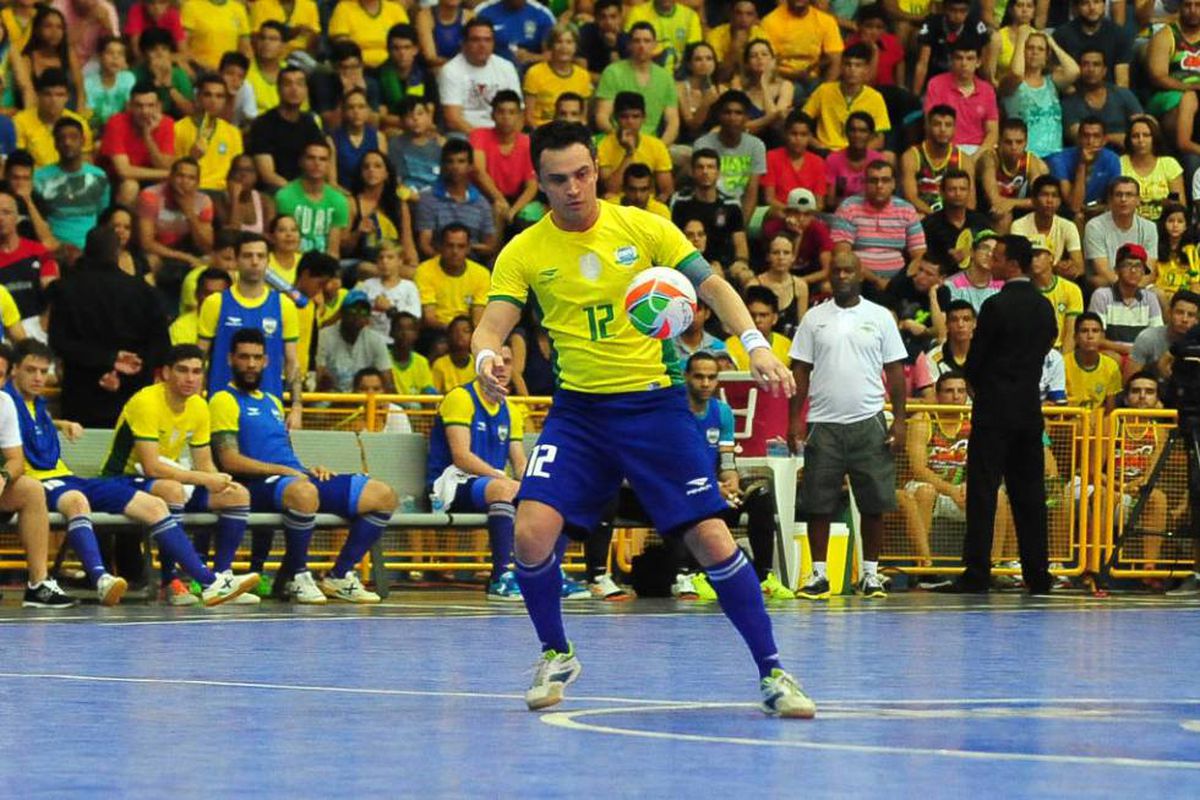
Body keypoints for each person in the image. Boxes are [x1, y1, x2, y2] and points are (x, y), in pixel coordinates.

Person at [472, 120, 812, 717]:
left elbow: (714, 286)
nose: (574, 188)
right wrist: (483, 360)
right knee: (529, 532)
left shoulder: (644, 228)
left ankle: (773, 672)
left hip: (654, 405)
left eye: (582, 174)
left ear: (596, 168)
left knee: (709, 538)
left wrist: (755, 344)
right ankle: (556, 652)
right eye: (558, 180)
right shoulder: (524, 251)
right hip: (579, 415)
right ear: (540, 183)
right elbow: (493, 326)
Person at [8, 338, 260, 606]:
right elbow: (151, 466)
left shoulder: (38, 404)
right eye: (30, 370)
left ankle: (214, 581)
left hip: (68, 477)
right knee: (79, 500)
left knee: (154, 506)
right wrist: (206, 478)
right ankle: (108, 579)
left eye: (43, 371)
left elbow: (32, 425)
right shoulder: (7, 402)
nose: (38, 377)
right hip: (51, 481)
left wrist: (61, 424)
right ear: (14, 370)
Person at [210, 327, 398, 603]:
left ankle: (339, 576)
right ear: (230, 360)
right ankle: (298, 576)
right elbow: (229, 459)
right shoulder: (223, 400)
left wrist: (310, 469)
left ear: (266, 361)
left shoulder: (273, 402)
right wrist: (287, 473)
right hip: (257, 486)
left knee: (383, 495)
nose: (250, 364)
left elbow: (282, 453)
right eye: (244, 357)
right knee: (304, 493)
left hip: (294, 479)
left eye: (257, 357)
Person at [942, 234, 1057, 594]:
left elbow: (975, 360)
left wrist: (981, 384)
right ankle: (1037, 573)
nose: (993, 259)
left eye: (1000, 256)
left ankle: (978, 571)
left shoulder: (995, 305)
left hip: (993, 410)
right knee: (1030, 493)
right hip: (1027, 408)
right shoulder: (1043, 307)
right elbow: (1046, 346)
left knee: (983, 491)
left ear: (1014, 264)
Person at [789, 249, 906, 600]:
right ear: (829, 275)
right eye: (836, 271)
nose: (842, 276)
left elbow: (896, 371)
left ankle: (870, 575)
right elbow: (800, 371)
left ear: (860, 274)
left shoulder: (880, 316)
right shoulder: (813, 318)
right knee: (817, 502)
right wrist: (795, 419)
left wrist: (899, 420)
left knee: (874, 502)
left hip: (869, 419)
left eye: (848, 271)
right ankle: (819, 575)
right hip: (822, 423)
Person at [99, 344, 256, 606]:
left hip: (167, 480)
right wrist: (207, 479)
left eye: (196, 372)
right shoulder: (146, 401)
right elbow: (151, 467)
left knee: (238, 495)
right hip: (123, 480)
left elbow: (204, 463)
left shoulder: (198, 406)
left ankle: (221, 580)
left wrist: (220, 482)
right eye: (182, 370)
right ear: (166, 373)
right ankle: (170, 582)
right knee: (172, 489)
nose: (190, 378)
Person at [426, 342, 530, 599]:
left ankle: (544, 573)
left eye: (507, 361)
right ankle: (501, 577)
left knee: (547, 495)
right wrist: (503, 479)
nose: (501, 367)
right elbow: (461, 457)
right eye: (495, 362)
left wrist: (536, 485)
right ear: (481, 366)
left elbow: (519, 461)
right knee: (504, 488)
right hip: (449, 484)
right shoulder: (461, 398)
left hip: (489, 486)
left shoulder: (512, 410)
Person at [49, 226, 169, 428]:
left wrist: (108, 359)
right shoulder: (145, 292)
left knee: (79, 456)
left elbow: (58, 343)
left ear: (86, 250)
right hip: (132, 393)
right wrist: (122, 369)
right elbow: (161, 348)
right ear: (117, 252)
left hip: (81, 394)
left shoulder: (65, 289)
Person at [197, 233, 302, 426]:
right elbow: (199, 358)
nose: (254, 262)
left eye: (260, 256)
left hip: (269, 408)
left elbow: (292, 361)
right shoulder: (215, 303)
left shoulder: (284, 305)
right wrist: (195, 405)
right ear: (236, 260)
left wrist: (296, 407)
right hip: (222, 408)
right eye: (247, 256)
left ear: (268, 261)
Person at [900, 370, 970, 568]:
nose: (956, 396)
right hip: (931, 489)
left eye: (961, 391)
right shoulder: (924, 419)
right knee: (925, 491)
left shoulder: (973, 419)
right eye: (949, 391)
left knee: (998, 497)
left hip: (960, 491)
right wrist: (951, 491)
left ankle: (995, 566)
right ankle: (924, 567)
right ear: (938, 395)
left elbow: (981, 464)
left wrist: (968, 486)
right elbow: (918, 469)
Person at [831, 159, 927, 291]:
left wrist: (902, 281)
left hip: (897, 281)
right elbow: (842, 255)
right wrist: (876, 280)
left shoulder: (907, 210)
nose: (879, 185)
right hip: (858, 281)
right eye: (873, 180)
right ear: (864, 183)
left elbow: (919, 254)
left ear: (893, 184)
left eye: (885, 180)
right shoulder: (849, 207)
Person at [670, 149, 750, 286]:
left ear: (718, 173)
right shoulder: (680, 203)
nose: (705, 171)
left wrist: (740, 263)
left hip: (725, 266)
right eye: (700, 167)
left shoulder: (731, 205)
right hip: (689, 263)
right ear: (692, 172)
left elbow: (741, 246)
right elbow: (673, 241)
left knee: (746, 277)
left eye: (710, 167)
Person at [593, 22, 679, 144]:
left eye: (647, 41)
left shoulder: (665, 77)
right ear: (629, 45)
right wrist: (620, 137)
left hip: (651, 143)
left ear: (655, 45)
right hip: (616, 139)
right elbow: (602, 116)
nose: (642, 45)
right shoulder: (612, 72)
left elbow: (673, 122)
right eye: (637, 41)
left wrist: (660, 146)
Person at [33, 118, 109, 255]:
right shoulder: (39, 178)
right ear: (55, 143)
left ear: (83, 141)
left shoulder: (99, 177)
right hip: (55, 250)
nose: (67, 143)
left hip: (90, 250)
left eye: (73, 137)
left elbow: (103, 215)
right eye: (62, 138)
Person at [999, 29, 1078, 159]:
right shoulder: (1011, 82)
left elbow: (1074, 71)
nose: (1035, 52)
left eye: (1040, 49)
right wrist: (1021, 39)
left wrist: (1051, 42)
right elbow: (1017, 72)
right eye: (1030, 47)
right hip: (1025, 156)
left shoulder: (1051, 82)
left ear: (1047, 55)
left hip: (1055, 155)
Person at [469, 90, 539, 236]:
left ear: (520, 116)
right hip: (486, 195)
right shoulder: (479, 135)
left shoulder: (527, 142)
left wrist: (513, 210)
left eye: (512, 112)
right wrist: (500, 200)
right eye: (501, 112)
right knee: (497, 208)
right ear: (492, 115)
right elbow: (479, 172)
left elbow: (532, 186)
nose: (506, 117)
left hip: (517, 198)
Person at [414, 140, 497, 260]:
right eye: (450, 161)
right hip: (438, 264)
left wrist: (465, 250)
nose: (455, 167)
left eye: (461, 161)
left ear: (470, 166)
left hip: (473, 265)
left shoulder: (482, 203)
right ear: (443, 165)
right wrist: (449, 262)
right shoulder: (428, 200)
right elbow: (425, 245)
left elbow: (490, 245)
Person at [693, 90, 766, 224]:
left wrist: (740, 227)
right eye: (727, 112)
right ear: (719, 115)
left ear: (746, 117)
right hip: (712, 206)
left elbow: (752, 191)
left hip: (742, 208)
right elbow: (701, 187)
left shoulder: (756, 146)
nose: (732, 118)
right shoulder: (703, 144)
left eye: (738, 113)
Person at [438, 18, 522, 134]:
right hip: (465, 134)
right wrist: (483, 141)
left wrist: (510, 139)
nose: (482, 45)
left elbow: (519, 113)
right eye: (475, 40)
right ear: (464, 43)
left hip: (503, 134)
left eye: (487, 40)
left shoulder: (506, 67)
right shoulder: (450, 70)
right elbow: (453, 119)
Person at [246, 66, 324, 191]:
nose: (294, 89)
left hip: (305, 190)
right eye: (288, 84)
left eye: (299, 84)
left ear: (306, 90)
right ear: (278, 89)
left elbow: (322, 159)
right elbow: (267, 175)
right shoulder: (263, 124)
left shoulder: (309, 122)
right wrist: (297, 194)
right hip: (274, 192)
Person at [802, 42, 889, 153]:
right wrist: (819, 146)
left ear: (866, 69)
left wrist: (852, 153)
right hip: (825, 152)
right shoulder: (824, 90)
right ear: (841, 67)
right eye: (848, 64)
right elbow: (801, 123)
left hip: (858, 154)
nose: (852, 70)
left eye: (858, 65)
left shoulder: (875, 97)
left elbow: (879, 139)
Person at [99, 80, 175, 207]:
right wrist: (169, 174)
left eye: (150, 105)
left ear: (159, 107)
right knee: (131, 186)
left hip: (151, 179)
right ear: (130, 106)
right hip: (115, 181)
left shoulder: (167, 123)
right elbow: (123, 171)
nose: (145, 111)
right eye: (139, 106)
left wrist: (148, 137)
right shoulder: (116, 122)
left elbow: (164, 165)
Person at [1087, 243, 1164, 358]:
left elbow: (1157, 337)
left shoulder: (1150, 298)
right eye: (1127, 265)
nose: (1133, 270)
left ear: (1143, 272)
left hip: (1140, 357)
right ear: (1117, 270)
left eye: (1138, 266)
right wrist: (1130, 350)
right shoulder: (1102, 296)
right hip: (1111, 354)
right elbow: (1096, 338)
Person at [273, 141, 349, 258]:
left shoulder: (339, 201)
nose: (317, 163)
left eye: (322, 159)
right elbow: (282, 246)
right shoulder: (284, 196)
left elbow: (333, 251)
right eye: (311, 158)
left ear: (329, 165)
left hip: (324, 266)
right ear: (301, 162)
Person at [1083, 177, 1160, 289]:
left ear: (1138, 200)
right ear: (1110, 200)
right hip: (1108, 285)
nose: (1123, 199)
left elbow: (1150, 272)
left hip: (1139, 286)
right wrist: (1127, 289)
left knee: (1160, 295)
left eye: (1129, 195)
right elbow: (1102, 270)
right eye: (1119, 195)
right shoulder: (1094, 226)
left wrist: (1132, 289)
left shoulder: (1149, 227)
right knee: (1099, 282)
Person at [597, 92, 673, 202]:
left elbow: (666, 190)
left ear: (644, 118)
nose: (630, 122)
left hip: (647, 203)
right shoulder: (604, 146)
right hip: (618, 204)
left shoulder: (656, 145)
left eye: (635, 116)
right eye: (624, 117)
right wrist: (629, 153)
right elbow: (611, 188)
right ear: (615, 118)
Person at [174, 74, 243, 196]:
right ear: (197, 97)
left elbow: (237, 173)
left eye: (219, 96)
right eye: (207, 95)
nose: (213, 101)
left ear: (225, 101)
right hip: (190, 191)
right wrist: (192, 157)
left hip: (222, 193)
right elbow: (171, 170)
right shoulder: (177, 128)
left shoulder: (233, 132)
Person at [416, 223, 490, 331]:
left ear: (468, 248)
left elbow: (477, 318)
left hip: (468, 331)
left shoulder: (482, 274)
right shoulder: (424, 270)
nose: (455, 251)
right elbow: (429, 318)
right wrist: (455, 331)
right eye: (450, 245)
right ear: (440, 246)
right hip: (437, 331)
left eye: (461, 246)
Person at [1062, 48, 1142, 148]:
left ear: (1104, 70)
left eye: (1096, 64)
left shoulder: (1123, 94)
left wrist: (1108, 138)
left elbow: (1142, 128)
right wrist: (1116, 138)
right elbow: (1079, 137)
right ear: (1079, 69)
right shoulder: (1070, 102)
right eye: (1085, 64)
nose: (1091, 69)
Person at [901, 106, 973, 218]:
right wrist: (936, 217)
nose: (943, 129)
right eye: (937, 124)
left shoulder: (964, 159)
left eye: (948, 125)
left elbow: (970, 202)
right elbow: (910, 198)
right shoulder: (912, 156)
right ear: (927, 127)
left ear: (954, 129)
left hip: (954, 216)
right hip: (923, 214)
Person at [317, 290, 394, 393]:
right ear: (342, 313)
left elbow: (387, 382)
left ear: (368, 318)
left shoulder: (376, 340)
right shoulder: (324, 336)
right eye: (353, 310)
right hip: (331, 398)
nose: (358, 316)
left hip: (364, 398)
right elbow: (319, 377)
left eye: (363, 312)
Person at [14, 69, 93, 171]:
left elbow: (85, 159)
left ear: (67, 97)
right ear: (38, 95)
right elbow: (19, 163)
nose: (53, 100)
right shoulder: (20, 122)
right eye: (48, 94)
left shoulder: (78, 123)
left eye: (59, 95)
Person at [1047, 117, 1122, 223]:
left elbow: (1113, 201)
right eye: (1086, 136)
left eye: (1096, 136)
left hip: (1099, 210)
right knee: (1078, 216)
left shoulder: (1112, 159)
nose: (1090, 141)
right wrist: (1082, 164)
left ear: (1104, 140)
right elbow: (1074, 206)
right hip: (1065, 213)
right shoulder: (1059, 160)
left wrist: (1095, 209)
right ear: (1078, 138)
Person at [1012, 175, 1085, 282]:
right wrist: (1054, 269)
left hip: (1058, 282)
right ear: (1034, 200)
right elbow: (1018, 266)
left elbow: (1080, 268)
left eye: (1054, 196)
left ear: (1060, 202)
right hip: (1029, 281)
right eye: (1044, 195)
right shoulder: (1019, 226)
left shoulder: (1068, 226)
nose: (1050, 200)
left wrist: (1069, 268)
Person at [760, 0, 843, 91]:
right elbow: (764, 62)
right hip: (780, 78)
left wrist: (825, 92)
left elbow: (836, 58)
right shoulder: (770, 22)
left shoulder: (826, 21)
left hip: (814, 79)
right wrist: (792, 75)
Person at [762, 110, 828, 225]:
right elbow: (769, 198)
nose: (798, 139)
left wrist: (802, 215)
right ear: (785, 134)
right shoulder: (771, 157)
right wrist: (792, 212)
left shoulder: (818, 162)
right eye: (794, 134)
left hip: (807, 217)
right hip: (781, 214)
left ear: (810, 137)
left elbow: (819, 203)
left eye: (803, 135)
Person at [911, 0, 990, 93]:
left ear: (968, 11)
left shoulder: (976, 25)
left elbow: (984, 64)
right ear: (944, 9)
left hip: (965, 80)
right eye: (953, 10)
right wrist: (915, 96)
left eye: (962, 11)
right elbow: (922, 63)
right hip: (935, 78)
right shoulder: (932, 23)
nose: (957, 15)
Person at [523, 23, 592, 129]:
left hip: (573, 134)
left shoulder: (583, 76)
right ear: (551, 46)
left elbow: (583, 118)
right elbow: (528, 117)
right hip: (542, 133)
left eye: (569, 42)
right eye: (559, 42)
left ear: (576, 46)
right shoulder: (534, 73)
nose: (564, 47)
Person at [920, 168, 990, 271]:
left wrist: (972, 252)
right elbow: (923, 260)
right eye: (952, 189)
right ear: (942, 192)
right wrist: (948, 259)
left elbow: (992, 248)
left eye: (963, 189)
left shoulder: (980, 221)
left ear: (969, 192)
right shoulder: (929, 224)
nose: (958, 193)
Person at [1052, 0, 1134, 89]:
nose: (1092, 8)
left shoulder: (1119, 35)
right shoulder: (1061, 35)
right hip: (1074, 97)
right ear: (1076, 8)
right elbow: (1060, 79)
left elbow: (1122, 81)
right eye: (1085, 3)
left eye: (1097, 2)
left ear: (1104, 5)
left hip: (1110, 96)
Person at [1119, 115, 1185, 224]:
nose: (1141, 140)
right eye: (1135, 136)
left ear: (1154, 138)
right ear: (1129, 140)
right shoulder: (1120, 163)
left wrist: (1169, 204)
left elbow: (1180, 206)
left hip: (1164, 227)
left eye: (1146, 135)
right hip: (1129, 224)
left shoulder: (1169, 164)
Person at [731, 38, 793, 147]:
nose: (759, 58)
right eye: (753, 56)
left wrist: (764, 83)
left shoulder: (785, 86)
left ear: (773, 60)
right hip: (745, 144)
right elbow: (736, 124)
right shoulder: (740, 87)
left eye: (764, 54)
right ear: (747, 63)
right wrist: (769, 119)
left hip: (775, 142)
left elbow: (777, 124)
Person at [1030, 233, 1084, 354]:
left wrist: (1061, 360)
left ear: (1051, 257)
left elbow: (1071, 332)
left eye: (1038, 255)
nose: (1033, 260)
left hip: (1060, 350)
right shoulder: (1025, 290)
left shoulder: (1071, 289)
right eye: (1031, 256)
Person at [744, 235, 807, 337]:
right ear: (768, 256)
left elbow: (801, 327)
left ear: (793, 257)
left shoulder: (800, 286)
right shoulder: (753, 285)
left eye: (786, 253)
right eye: (775, 252)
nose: (781, 257)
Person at [1130, 290, 1200, 379]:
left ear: (1197, 320)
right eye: (1179, 312)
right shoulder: (1148, 338)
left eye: (1191, 315)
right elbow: (1130, 381)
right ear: (1169, 313)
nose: (1184, 319)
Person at [825, 111, 885, 210]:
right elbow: (830, 201)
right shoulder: (833, 159)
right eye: (853, 130)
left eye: (863, 131)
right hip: (841, 213)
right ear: (846, 133)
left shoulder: (878, 160)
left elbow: (880, 196)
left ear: (871, 135)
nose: (857, 135)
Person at [723, 286, 793, 368]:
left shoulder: (787, 345)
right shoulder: (729, 345)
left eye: (763, 315)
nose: (757, 320)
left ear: (774, 318)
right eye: (752, 315)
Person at [1065, 311, 1122, 411]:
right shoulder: (1063, 364)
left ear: (1102, 336)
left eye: (1095, 331)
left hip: (1098, 424)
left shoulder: (1111, 366)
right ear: (1075, 337)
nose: (1090, 336)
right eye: (1084, 331)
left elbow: (1110, 410)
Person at [181, 0, 252, 73]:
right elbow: (183, 45)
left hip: (230, 73)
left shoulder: (238, 9)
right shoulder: (191, 6)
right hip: (201, 70)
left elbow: (245, 48)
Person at [675, 42, 724, 145]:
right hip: (686, 143)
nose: (704, 63)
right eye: (698, 59)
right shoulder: (680, 88)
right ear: (689, 64)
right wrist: (705, 103)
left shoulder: (722, 90)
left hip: (715, 143)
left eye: (709, 58)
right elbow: (692, 127)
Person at [945, 231, 1003, 312]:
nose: (990, 254)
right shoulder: (951, 284)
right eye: (985, 248)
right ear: (972, 252)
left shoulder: (1002, 286)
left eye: (994, 251)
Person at [84, 35, 135, 128]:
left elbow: (131, 111)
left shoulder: (128, 78)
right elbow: (88, 116)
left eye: (120, 54)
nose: (115, 58)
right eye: (110, 53)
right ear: (100, 56)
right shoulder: (88, 83)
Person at [172, 267, 232, 345]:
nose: (213, 299)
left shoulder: (242, 322)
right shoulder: (179, 328)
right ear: (196, 294)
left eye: (219, 295)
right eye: (208, 294)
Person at [577, 0, 628, 79]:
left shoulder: (626, 40)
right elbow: (581, 73)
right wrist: (607, 81)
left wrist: (612, 47)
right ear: (596, 18)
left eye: (613, 16)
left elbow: (621, 76)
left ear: (620, 18)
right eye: (603, 17)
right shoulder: (585, 32)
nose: (608, 22)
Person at [389, 311, 436, 395]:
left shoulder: (421, 362)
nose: (404, 333)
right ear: (391, 332)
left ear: (416, 334)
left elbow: (428, 390)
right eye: (400, 328)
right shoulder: (384, 358)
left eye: (409, 329)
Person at [431, 315, 476, 392]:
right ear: (449, 335)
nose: (460, 335)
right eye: (456, 331)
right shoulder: (439, 365)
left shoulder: (477, 364)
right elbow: (434, 397)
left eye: (466, 331)